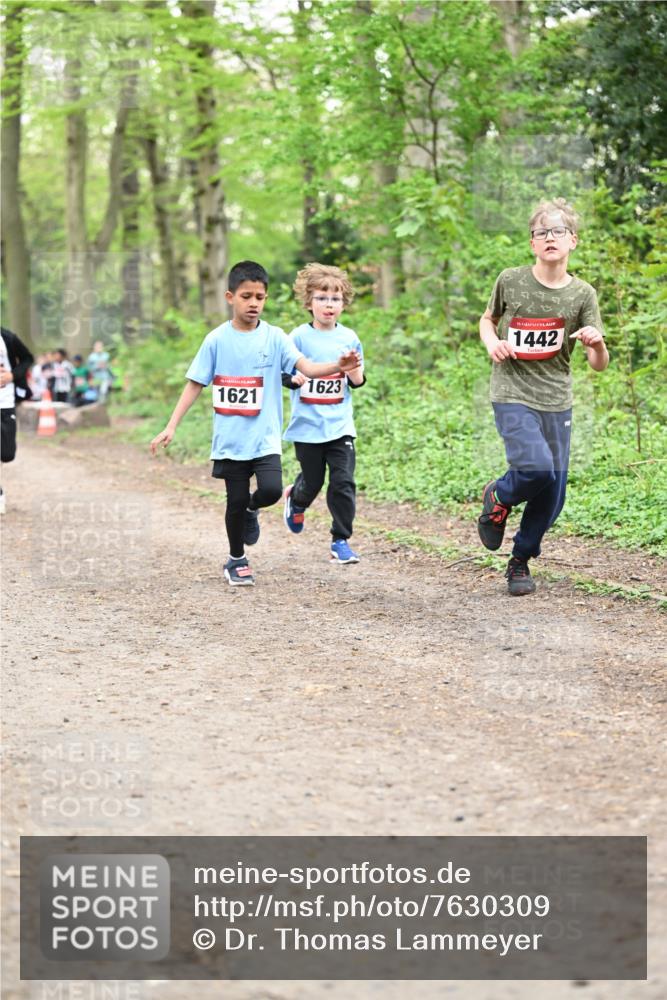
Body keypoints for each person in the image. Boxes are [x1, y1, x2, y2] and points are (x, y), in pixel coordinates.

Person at [149, 260, 361, 587]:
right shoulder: (216, 339)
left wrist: (338, 365)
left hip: (264, 438)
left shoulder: (275, 337)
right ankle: (237, 558)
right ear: (230, 297)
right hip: (230, 440)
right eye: (246, 296)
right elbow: (195, 383)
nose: (253, 303)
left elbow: (306, 367)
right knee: (233, 501)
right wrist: (171, 425)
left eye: (260, 297)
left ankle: (253, 509)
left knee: (272, 490)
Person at [477, 198, 608, 596]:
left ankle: (520, 560)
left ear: (573, 241)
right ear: (532, 243)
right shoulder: (511, 280)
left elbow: (598, 363)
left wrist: (596, 343)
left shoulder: (583, 295)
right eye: (541, 233)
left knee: (554, 493)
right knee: (535, 469)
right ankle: (499, 495)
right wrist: (491, 343)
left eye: (557, 232)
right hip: (512, 390)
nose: (549, 238)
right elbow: (488, 320)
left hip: (557, 398)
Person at [282, 263, 365, 564]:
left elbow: (357, 381)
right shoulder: (298, 337)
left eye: (335, 299)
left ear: (343, 303)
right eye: (322, 298)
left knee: (343, 482)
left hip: (340, 426)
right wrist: (295, 378)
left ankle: (340, 540)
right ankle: (297, 497)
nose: (329, 305)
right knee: (313, 482)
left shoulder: (349, 337)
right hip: (307, 426)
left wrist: (353, 368)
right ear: (309, 302)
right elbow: (284, 374)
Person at [0, 327, 34, 515]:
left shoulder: (7, 338)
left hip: (5, 402)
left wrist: (12, 375)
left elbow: (28, 358)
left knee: (6, 454)